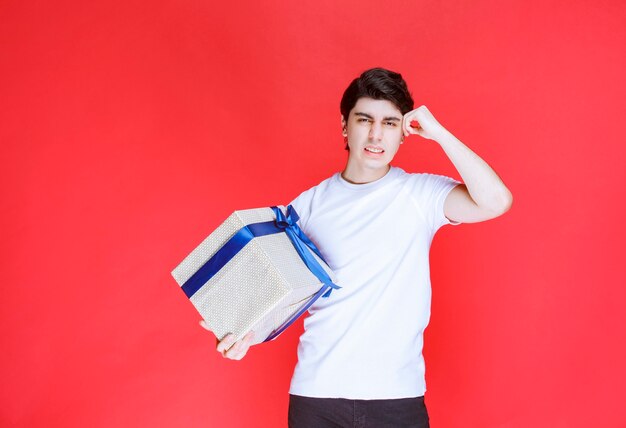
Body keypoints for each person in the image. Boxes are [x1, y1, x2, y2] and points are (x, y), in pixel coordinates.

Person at [201, 67, 513, 427]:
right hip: (317, 395)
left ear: (404, 133)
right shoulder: (306, 207)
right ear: (345, 126)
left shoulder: (421, 195)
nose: (376, 134)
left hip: (397, 397)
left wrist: (440, 134)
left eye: (390, 123)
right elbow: (278, 291)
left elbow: (496, 201)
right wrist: (244, 334)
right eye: (365, 120)